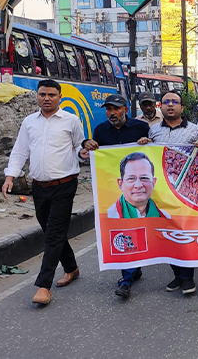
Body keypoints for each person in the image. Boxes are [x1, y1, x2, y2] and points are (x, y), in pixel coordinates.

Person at [2, 79, 85, 306]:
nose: (46, 98)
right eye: (42, 94)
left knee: (54, 233)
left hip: (65, 185)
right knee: (50, 231)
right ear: (37, 96)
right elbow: (20, 151)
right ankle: (71, 267)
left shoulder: (71, 120)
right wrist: (10, 176)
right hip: (39, 186)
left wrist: (84, 153)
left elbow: (79, 147)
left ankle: (43, 286)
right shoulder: (29, 122)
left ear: (59, 97)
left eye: (51, 94)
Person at [81, 94, 150, 299]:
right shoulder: (101, 131)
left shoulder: (140, 128)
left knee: (140, 226)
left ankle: (134, 268)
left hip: (140, 188)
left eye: (116, 108)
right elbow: (97, 156)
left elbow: (152, 152)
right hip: (115, 188)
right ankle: (127, 278)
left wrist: (147, 142)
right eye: (109, 109)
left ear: (125, 110)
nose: (112, 113)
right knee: (124, 227)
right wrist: (87, 145)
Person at [138, 90, 198, 295]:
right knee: (165, 234)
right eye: (166, 102)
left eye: (174, 102)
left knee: (184, 233)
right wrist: (144, 145)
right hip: (160, 191)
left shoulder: (195, 130)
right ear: (161, 106)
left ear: (181, 108)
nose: (170, 105)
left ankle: (187, 278)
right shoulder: (154, 131)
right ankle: (177, 274)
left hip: (185, 190)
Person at [107, 153, 170, 219]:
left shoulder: (166, 218)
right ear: (120, 184)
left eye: (144, 178)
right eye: (131, 179)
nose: (138, 185)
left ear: (153, 182)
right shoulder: (107, 217)